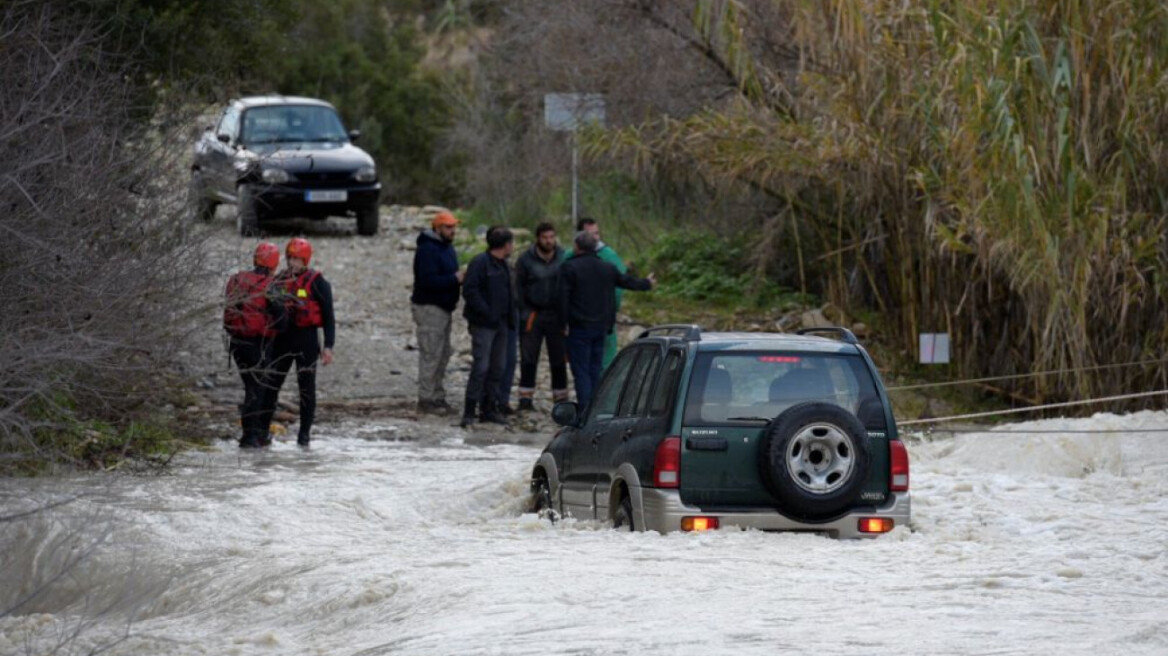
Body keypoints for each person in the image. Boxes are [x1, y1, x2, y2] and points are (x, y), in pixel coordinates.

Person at [560, 230, 655, 409]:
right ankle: (596, 407)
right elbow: (627, 281)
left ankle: (584, 409)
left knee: (581, 371)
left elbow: (562, 299)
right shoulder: (607, 268)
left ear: (576, 247)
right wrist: (646, 283)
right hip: (601, 327)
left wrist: (562, 323)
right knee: (596, 369)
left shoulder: (569, 267)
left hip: (579, 327)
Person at [261, 237, 335, 447]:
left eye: (298, 259)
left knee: (306, 389)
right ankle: (262, 431)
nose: (293, 263)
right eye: (290, 258)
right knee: (271, 385)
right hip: (282, 341)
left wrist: (328, 346)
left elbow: (329, 317)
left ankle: (304, 436)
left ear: (306, 261)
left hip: (307, 341)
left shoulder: (318, 282)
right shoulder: (278, 280)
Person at [223, 242, 285, 449]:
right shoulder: (271, 285)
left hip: (237, 344)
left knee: (252, 387)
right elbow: (282, 320)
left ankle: (252, 435)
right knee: (256, 390)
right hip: (257, 345)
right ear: (274, 264)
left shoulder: (237, 280)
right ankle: (250, 437)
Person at [460, 226, 515, 428]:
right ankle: (469, 411)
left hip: (501, 324)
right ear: (506, 245)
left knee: (497, 367)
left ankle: (489, 409)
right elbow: (470, 291)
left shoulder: (504, 265)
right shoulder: (480, 263)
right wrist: (487, 312)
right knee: (481, 367)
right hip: (483, 324)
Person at [411, 210, 464, 415]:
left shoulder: (446, 248)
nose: (452, 231)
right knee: (431, 354)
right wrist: (455, 279)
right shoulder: (427, 250)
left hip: (443, 308)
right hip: (429, 308)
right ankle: (426, 399)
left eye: (453, 227)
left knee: (442, 355)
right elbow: (427, 281)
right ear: (437, 228)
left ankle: (437, 396)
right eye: (448, 227)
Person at [514, 221, 568, 411]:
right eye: (545, 237)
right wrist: (523, 311)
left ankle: (560, 398)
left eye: (552, 237)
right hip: (532, 313)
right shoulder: (525, 259)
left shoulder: (563, 257)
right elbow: (518, 287)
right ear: (538, 239)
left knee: (559, 357)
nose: (549, 241)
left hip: (556, 314)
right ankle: (525, 397)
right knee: (529, 356)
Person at [569, 217, 627, 370]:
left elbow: (618, 289)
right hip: (579, 321)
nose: (594, 238)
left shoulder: (609, 256)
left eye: (596, 233)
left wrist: (610, 311)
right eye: (590, 234)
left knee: (604, 363)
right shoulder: (569, 257)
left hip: (603, 320)